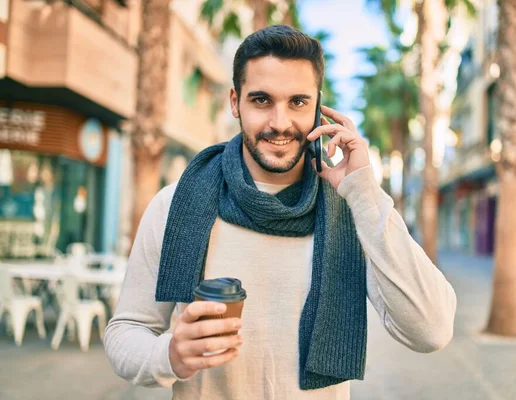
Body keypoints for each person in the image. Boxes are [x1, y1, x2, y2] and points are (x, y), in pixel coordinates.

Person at [104, 25, 457, 400]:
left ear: (319, 107)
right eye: (261, 100)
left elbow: (431, 330)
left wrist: (364, 193)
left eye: (298, 102)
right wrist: (169, 355)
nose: (279, 122)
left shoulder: (356, 211)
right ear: (234, 102)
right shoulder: (175, 204)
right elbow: (125, 331)